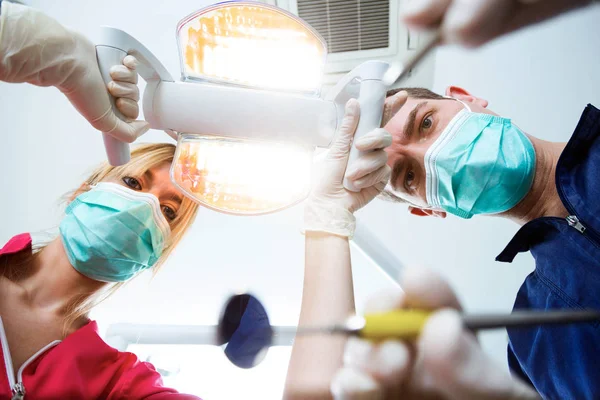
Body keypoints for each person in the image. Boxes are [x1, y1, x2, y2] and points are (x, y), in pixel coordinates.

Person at [0, 1, 391, 398]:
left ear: (156, 251)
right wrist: (56, 54)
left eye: (169, 212)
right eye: (134, 184)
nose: (145, 207)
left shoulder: (120, 384)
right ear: (84, 193)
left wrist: (329, 220)